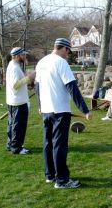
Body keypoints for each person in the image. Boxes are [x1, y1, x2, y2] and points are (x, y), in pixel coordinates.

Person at [35, 38, 92, 189]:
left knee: (48, 143)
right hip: (60, 111)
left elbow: (37, 87)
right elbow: (72, 87)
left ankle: (50, 175)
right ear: (64, 49)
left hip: (47, 110)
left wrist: (39, 105)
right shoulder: (61, 62)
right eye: (68, 51)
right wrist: (85, 110)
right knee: (59, 145)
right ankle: (62, 180)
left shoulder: (41, 62)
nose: (68, 55)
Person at [6, 47, 35, 155]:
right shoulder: (14, 67)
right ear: (18, 56)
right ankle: (17, 148)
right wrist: (29, 77)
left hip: (14, 100)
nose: (25, 56)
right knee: (18, 126)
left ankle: (11, 144)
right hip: (18, 102)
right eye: (23, 55)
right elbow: (15, 85)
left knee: (12, 125)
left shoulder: (12, 65)